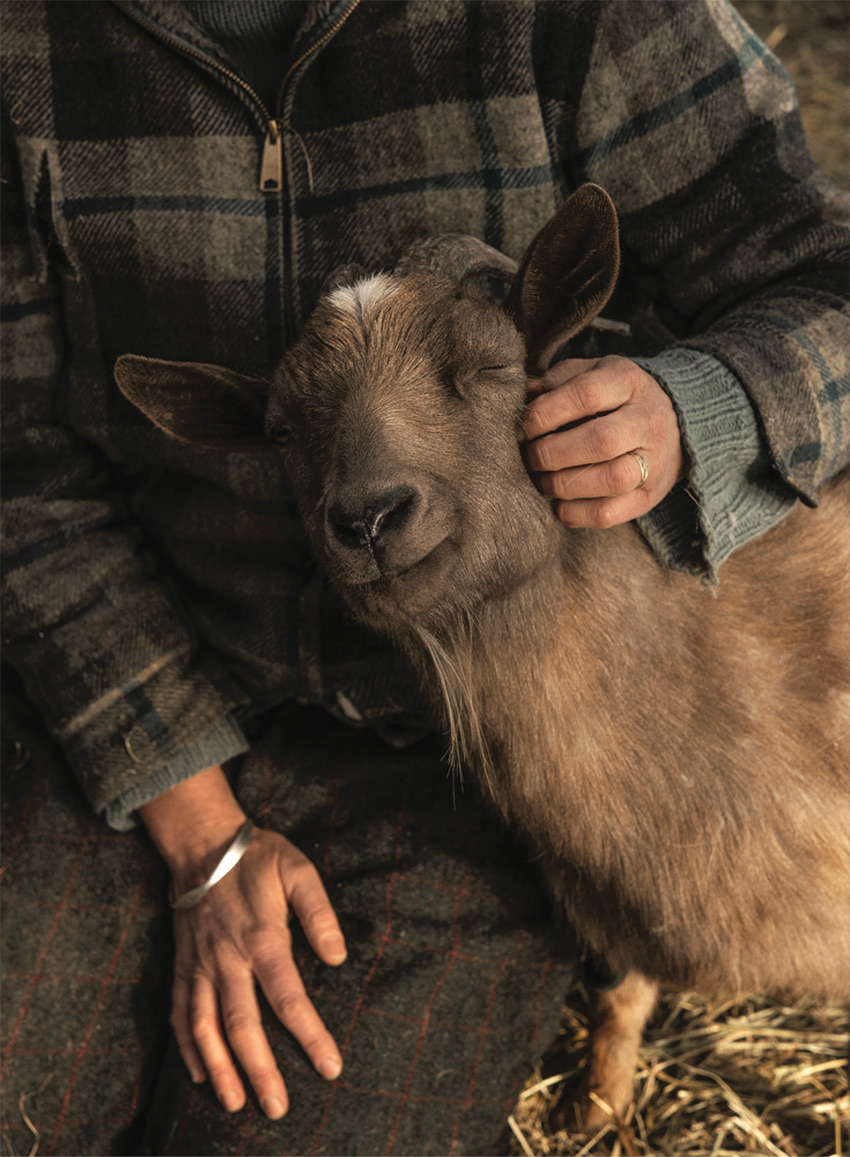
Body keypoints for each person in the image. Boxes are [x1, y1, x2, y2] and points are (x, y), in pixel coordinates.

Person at [1, 1, 847, 1154]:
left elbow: (822, 275)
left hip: (464, 758)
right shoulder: (29, 49)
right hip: (139, 695)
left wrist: (707, 405)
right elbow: (19, 465)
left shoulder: (589, 17)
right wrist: (199, 824)